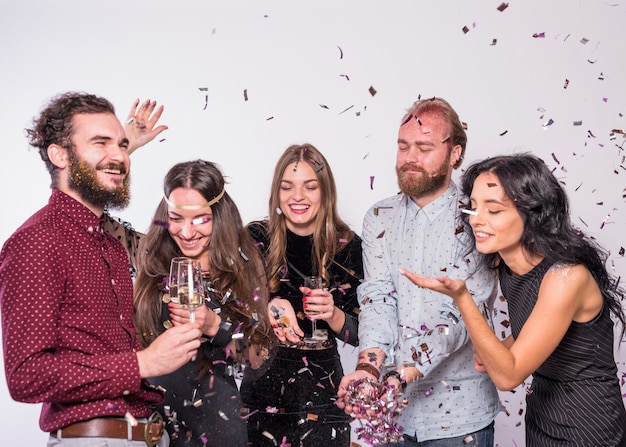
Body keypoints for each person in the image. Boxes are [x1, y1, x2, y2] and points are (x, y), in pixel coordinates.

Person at [0, 91, 202, 446]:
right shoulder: (37, 242)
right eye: (101, 142)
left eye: (123, 145)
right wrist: (143, 363)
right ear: (58, 154)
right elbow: (26, 377)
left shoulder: (108, 242)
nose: (120, 156)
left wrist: (113, 153)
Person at [402, 153, 626, 446]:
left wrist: (462, 298)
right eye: (473, 207)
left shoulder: (566, 277)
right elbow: (536, 332)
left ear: (532, 215)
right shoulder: (509, 266)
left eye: (493, 211)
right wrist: (498, 349)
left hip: (588, 425)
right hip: (543, 417)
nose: (476, 220)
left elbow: (508, 377)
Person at [337, 97, 500, 446]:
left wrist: (402, 372)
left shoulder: (477, 220)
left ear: (455, 153)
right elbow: (378, 299)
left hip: (460, 419)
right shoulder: (378, 217)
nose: (410, 157)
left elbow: (460, 314)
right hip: (396, 417)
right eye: (403, 146)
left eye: (424, 147)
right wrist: (368, 367)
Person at [133, 159, 276, 446]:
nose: (186, 233)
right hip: (153, 432)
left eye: (200, 219)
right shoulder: (150, 261)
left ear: (219, 215)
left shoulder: (242, 270)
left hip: (217, 431)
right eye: (176, 218)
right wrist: (125, 148)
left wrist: (215, 326)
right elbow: (92, 216)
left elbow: (259, 357)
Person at [240, 143, 363, 447]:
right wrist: (263, 306)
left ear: (325, 192)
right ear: (276, 193)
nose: (298, 196)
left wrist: (333, 314)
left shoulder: (347, 245)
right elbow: (228, 304)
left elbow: (363, 332)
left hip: (322, 394)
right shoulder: (256, 237)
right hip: (262, 391)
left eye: (310, 186)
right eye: (287, 187)